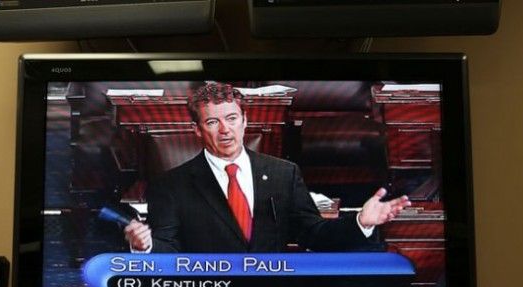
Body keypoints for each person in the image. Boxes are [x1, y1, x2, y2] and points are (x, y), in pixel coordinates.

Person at [125, 82, 410, 254]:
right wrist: (145, 246)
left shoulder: (283, 173)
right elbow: (168, 251)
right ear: (197, 129)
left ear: (245, 121)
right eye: (213, 122)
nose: (225, 130)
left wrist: (361, 222)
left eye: (232, 118)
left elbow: (313, 233)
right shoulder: (170, 185)